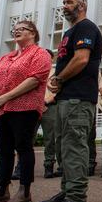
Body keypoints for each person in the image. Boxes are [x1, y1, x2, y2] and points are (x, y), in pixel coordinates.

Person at [39, 0, 102, 202]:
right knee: (64, 147)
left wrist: (59, 79)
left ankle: (76, 199)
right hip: (66, 99)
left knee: (74, 147)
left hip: (78, 98)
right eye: (63, 2)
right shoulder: (68, 32)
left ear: (82, 5)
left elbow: (81, 59)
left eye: (70, 2)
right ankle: (66, 191)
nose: (64, 6)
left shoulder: (86, 27)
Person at [0, 20, 51, 202]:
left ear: (32, 33)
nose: (16, 32)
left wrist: (6, 97)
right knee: (4, 149)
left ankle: (24, 192)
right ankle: (2, 190)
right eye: (14, 30)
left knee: (23, 147)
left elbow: (35, 79)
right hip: (1, 108)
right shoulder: (5, 57)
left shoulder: (39, 53)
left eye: (21, 29)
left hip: (24, 108)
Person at [41, 50, 59, 179]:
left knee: (50, 139)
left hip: (50, 107)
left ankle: (49, 165)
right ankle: (20, 167)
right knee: (26, 139)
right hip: (33, 107)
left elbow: (58, 90)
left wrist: (46, 102)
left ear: (52, 59)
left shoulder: (56, 72)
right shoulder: (34, 71)